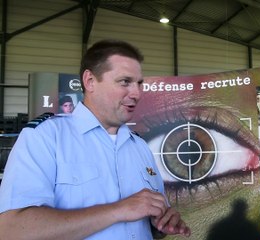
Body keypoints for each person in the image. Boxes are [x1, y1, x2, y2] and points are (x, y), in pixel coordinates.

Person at [0, 39, 191, 239]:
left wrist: (159, 224)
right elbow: (12, 230)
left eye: (139, 83)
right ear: (90, 81)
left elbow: (147, 221)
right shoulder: (46, 138)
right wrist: (118, 210)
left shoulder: (140, 147)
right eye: (125, 81)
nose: (137, 93)